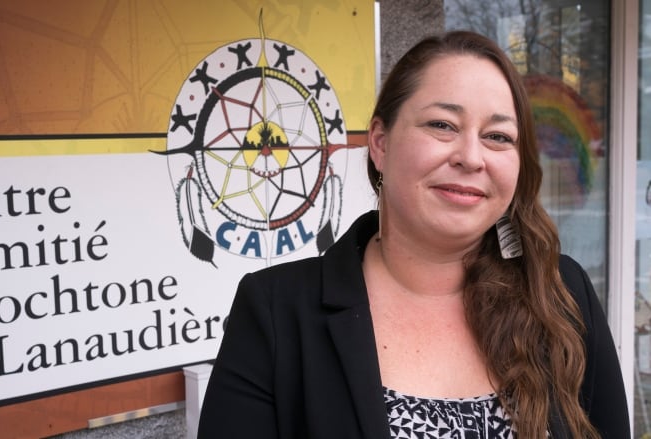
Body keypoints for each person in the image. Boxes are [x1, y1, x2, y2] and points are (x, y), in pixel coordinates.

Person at [197, 30, 630, 438]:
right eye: (442, 125)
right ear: (381, 143)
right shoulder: (276, 310)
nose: (471, 157)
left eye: (498, 136)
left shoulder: (561, 292)